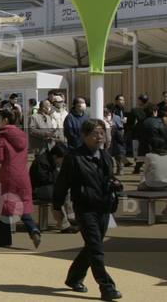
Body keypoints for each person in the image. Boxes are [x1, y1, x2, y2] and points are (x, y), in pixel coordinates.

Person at [53, 119, 123, 300]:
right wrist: (57, 206)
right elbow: (62, 184)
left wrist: (115, 184)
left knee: (92, 246)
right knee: (96, 248)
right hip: (85, 209)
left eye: (102, 133)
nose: (99, 137)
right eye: (95, 133)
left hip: (104, 207)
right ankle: (106, 287)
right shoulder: (73, 158)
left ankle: (74, 277)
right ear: (84, 136)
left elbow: (108, 178)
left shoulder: (106, 156)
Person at [0, 109, 41, 249]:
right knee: (23, 205)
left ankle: (5, 239)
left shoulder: (2, 136)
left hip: (8, 174)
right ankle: (33, 229)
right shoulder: (23, 135)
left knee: (5, 206)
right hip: (23, 174)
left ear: (6, 120)